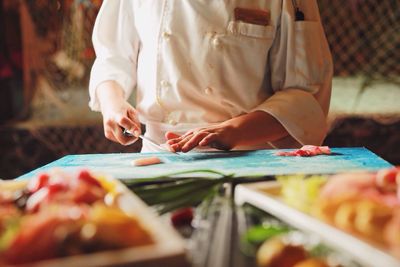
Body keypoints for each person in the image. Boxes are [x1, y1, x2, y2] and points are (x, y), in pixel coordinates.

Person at [89, 0, 333, 153]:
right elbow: (113, 55)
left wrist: (233, 131)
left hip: (250, 159)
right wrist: (112, 104)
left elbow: (305, 95)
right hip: (158, 155)